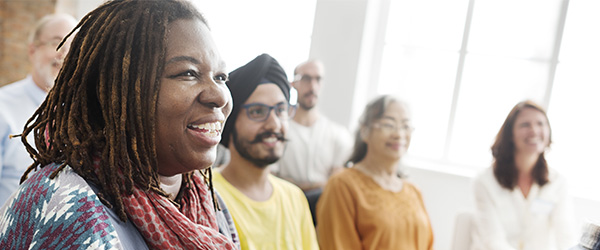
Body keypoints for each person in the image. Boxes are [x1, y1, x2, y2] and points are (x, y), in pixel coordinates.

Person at [0, 1, 240, 249]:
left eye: (221, 77)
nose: (219, 96)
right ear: (117, 90)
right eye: (188, 73)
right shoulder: (70, 210)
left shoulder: (206, 202)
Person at [213, 53, 319, 250]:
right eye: (258, 112)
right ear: (231, 120)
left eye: (281, 110)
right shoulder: (205, 194)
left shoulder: (294, 198)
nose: (274, 124)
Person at [316, 95, 434, 250]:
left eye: (406, 126)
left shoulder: (414, 192)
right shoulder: (342, 185)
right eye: (389, 124)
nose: (399, 134)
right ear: (364, 130)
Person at [471, 100, 575, 250]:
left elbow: (565, 237)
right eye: (525, 124)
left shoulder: (558, 183)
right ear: (510, 134)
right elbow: (492, 241)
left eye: (540, 124)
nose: (534, 130)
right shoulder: (484, 181)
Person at [0, 13, 77, 205]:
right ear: (32, 50)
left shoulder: (79, 117)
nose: (64, 53)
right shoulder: (3, 107)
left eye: (73, 47)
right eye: (56, 42)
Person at [273, 59, 353, 224]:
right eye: (306, 78)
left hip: (322, 215)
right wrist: (317, 185)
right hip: (284, 210)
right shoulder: (277, 130)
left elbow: (335, 185)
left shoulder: (337, 134)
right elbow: (270, 179)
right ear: (293, 83)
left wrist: (297, 185)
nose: (313, 86)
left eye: (318, 79)